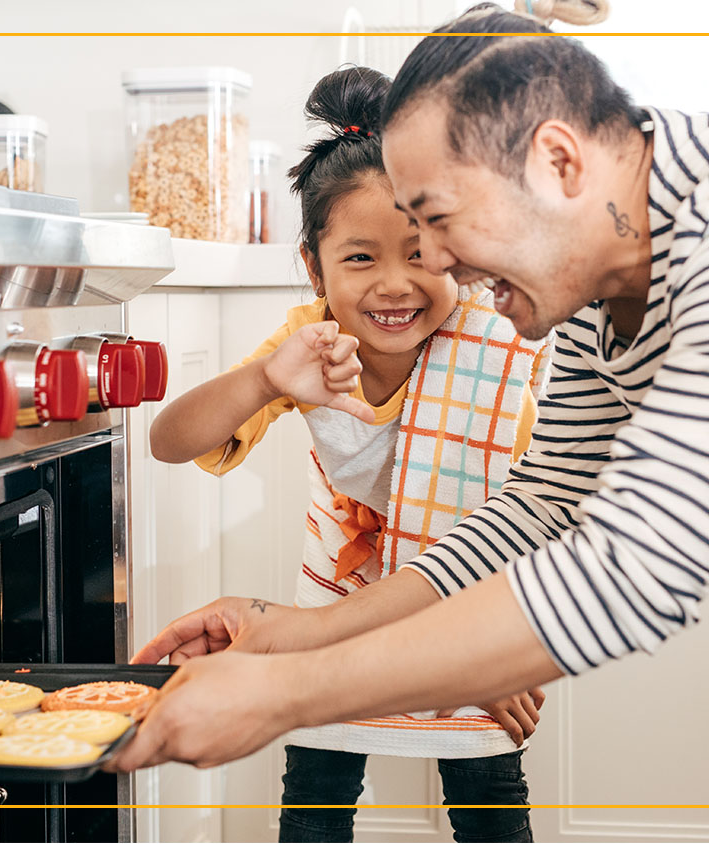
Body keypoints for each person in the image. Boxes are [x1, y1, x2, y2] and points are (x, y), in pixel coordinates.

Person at [117, 6, 709, 841]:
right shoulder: (596, 287)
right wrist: (297, 630)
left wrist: (286, 692)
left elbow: (635, 576)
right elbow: (541, 505)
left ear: (556, 163)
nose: (433, 263)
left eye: (438, 219)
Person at [148, 64, 552, 843]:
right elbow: (171, 442)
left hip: (476, 612)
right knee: (317, 795)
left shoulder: (498, 347)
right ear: (315, 268)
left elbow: (536, 508)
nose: (395, 285)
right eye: (360, 258)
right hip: (333, 607)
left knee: (490, 795)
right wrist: (266, 376)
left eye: (420, 254)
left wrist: (503, 648)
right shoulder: (309, 344)